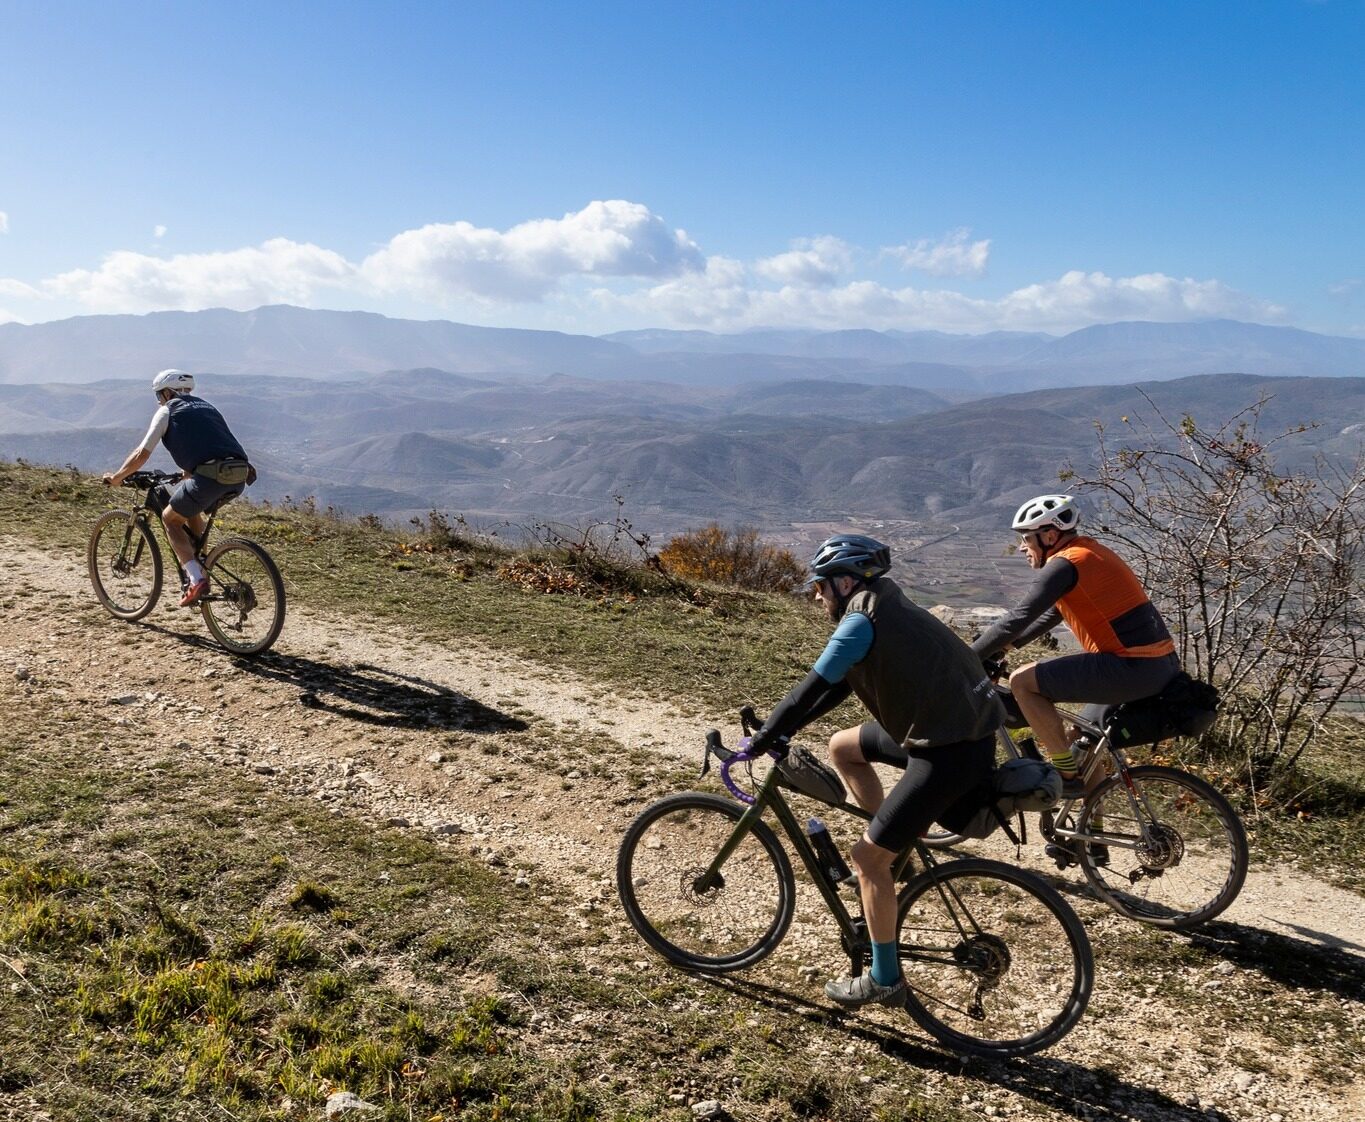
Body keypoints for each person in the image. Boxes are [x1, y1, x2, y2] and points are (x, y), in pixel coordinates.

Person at [748, 533, 1001, 1009]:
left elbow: (809, 689)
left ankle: (884, 978)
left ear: (844, 582)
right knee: (844, 747)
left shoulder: (858, 622)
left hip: (947, 753)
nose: (816, 594)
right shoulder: (884, 600)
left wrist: (764, 738)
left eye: (821, 585)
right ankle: (896, 850)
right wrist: (783, 731)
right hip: (950, 733)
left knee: (865, 861)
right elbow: (840, 687)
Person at [970, 494, 1180, 796]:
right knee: (1080, 740)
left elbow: (1018, 617)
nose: (1021, 547)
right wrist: (1003, 649)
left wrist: (966, 657)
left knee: (1022, 683)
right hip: (1159, 666)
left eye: (1027, 538)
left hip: (1131, 666)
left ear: (1050, 535)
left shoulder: (1065, 564)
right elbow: (1053, 614)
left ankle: (1064, 777)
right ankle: (1092, 835)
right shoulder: (1089, 552)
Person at [103, 369, 253, 607]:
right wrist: (189, 472)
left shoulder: (167, 411)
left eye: (158, 395)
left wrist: (118, 477)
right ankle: (202, 563)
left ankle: (196, 579)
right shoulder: (207, 407)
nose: (158, 400)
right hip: (239, 474)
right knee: (190, 509)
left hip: (210, 477)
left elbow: (142, 454)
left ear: (166, 392)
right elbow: (210, 443)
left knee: (170, 519)